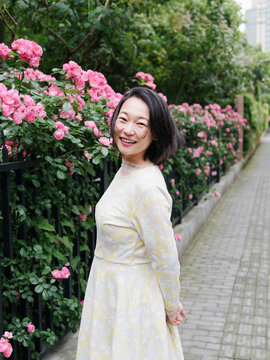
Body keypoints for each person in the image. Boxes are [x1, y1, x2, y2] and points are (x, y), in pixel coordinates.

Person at [76, 87, 186, 360]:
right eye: (123, 119)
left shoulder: (147, 187)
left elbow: (166, 258)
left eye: (141, 124)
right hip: (109, 293)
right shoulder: (128, 168)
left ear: (156, 132)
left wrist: (172, 306)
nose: (127, 130)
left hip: (131, 303)